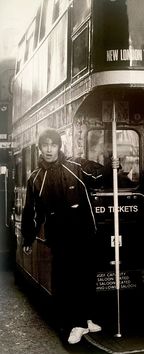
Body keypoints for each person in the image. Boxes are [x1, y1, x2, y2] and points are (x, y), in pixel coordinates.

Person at [21, 128, 107, 344]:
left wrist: (114, 168)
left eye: (53, 145)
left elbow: (100, 174)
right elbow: (32, 212)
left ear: (59, 147)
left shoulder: (77, 166)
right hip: (60, 239)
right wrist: (28, 238)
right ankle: (75, 325)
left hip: (85, 233)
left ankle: (86, 320)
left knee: (86, 278)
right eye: (45, 145)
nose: (49, 149)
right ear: (40, 149)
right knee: (66, 282)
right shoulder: (35, 179)